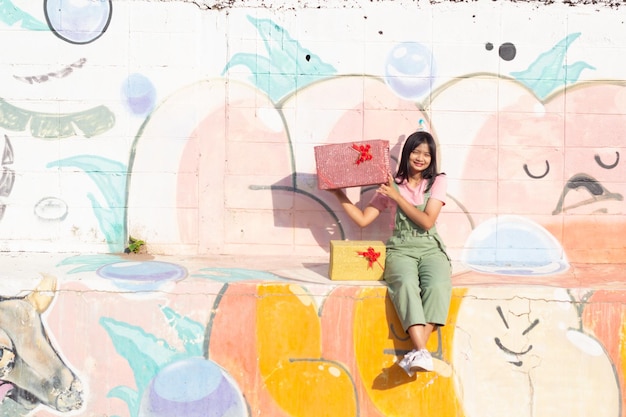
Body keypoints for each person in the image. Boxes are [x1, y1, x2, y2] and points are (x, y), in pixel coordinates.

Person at [329, 130, 452, 376]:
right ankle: (421, 353)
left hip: (430, 247)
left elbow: (427, 221)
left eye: (426, 154)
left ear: (432, 158)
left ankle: (418, 353)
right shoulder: (391, 184)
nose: (420, 158)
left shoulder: (437, 181)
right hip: (400, 249)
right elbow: (364, 219)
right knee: (405, 285)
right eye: (416, 152)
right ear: (407, 153)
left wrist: (397, 196)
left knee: (438, 286)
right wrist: (339, 194)